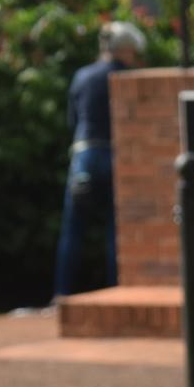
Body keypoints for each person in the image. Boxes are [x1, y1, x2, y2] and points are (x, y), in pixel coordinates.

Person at [54, 21, 146, 300]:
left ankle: (61, 293)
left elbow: (72, 120)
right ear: (125, 50)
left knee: (73, 229)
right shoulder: (126, 77)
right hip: (113, 155)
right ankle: (117, 290)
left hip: (83, 155)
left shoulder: (82, 76)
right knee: (115, 229)